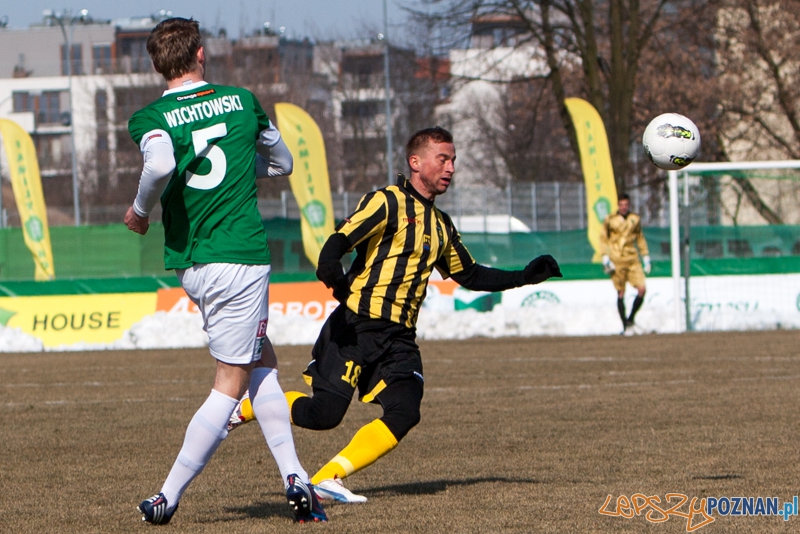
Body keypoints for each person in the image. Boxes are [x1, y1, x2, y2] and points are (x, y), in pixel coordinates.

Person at [228, 126, 562, 503]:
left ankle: (327, 478)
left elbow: (469, 274)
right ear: (415, 162)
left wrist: (523, 276)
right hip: (356, 327)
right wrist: (331, 269)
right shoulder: (387, 201)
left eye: (453, 160)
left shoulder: (442, 225)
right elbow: (340, 240)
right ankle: (252, 404)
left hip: (399, 338)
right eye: (443, 159)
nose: (451, 168)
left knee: (405, 411)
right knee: (324, 415)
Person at [123, 17, 325, 524]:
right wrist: (142, 209)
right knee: (230, 382)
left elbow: (161, 163)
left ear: (156, 64)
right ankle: (166, 496)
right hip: (239, 256)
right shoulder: (241, 100)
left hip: (192, 262)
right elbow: (281, 163)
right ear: (201, 54)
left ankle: (295, 477)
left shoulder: (150, 117)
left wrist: (143, 212)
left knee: (261, 359)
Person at [599, 193, 651, 335]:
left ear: (629, 205)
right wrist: (605, 256)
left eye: (626, 205)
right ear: (618, 205)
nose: (623, 207)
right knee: (621, 292)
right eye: (621, 205)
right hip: (617, 260)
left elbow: (640, 238)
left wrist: (646, 256)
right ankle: (625, 326)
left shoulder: (635, 219)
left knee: (642, 289)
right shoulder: (610, 220)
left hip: (633, 259)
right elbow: (603, 239)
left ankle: (630, 319)